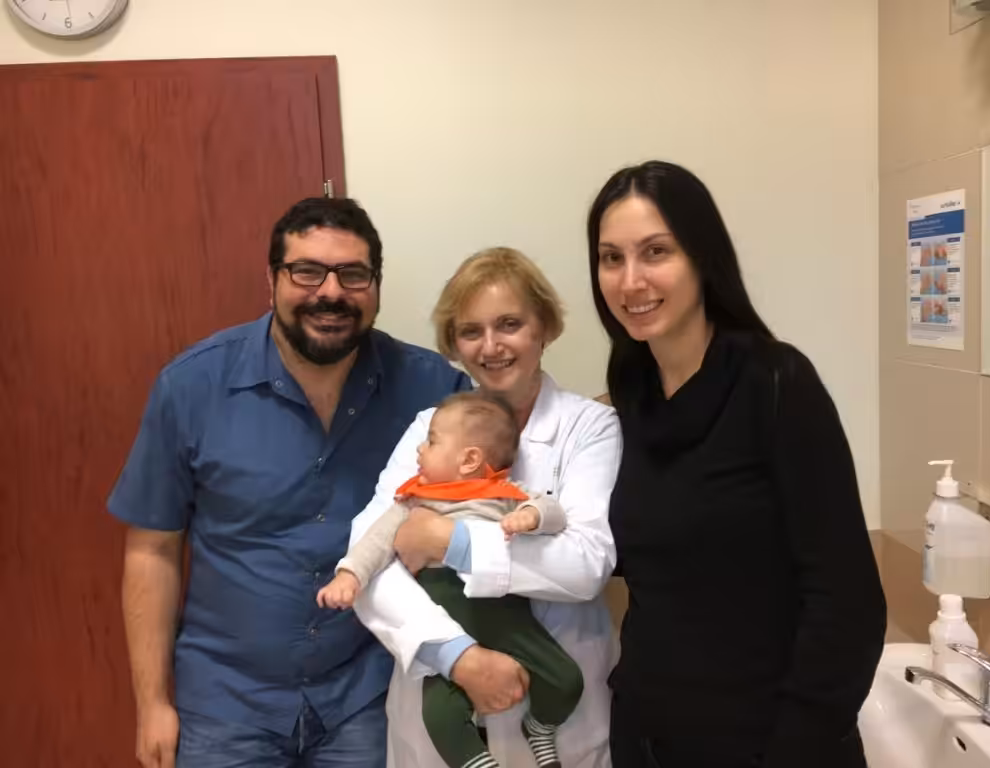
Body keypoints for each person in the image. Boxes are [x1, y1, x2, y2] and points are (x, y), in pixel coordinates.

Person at [108, 197, 470, 768]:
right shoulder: (191, 387)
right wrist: (152, 703)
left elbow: (497, 481)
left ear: (376, 285)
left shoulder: (433, 389)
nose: (330, 292)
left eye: (353, 274)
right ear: (271, 279)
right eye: (306, 271)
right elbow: (152, 549)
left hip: (368, 695)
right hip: (225, 702)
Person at [587, 161, 886, 768]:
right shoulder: (628, 390)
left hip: (770, 742)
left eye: (656, 252)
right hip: (647, 734)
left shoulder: (775, 384)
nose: (630, 280)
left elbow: (848, 600)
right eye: (611, 258)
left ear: (702, 256)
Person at [347, 247, 622, 768]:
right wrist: (456, 655)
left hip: (561, 726)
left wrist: (446, 541)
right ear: (453, 344)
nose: (491, 346)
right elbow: (369, 561)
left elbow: (586, 565)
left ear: (545, 327)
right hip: (437, 707)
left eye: (510, 324)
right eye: (470, 331)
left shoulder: (589, 428)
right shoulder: (426, 431)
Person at [318, 390, 584, 768]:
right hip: (448, 623)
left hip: (508, 619)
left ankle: (540, 727)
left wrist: (532, 516)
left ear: (469, 459)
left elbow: (554, 512)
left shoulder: (504, 494)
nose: (419, 451)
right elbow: (374, 543)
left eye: (432, 441)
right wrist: (349, 575)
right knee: (440, 715)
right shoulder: (414, 501)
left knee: (566, 679)